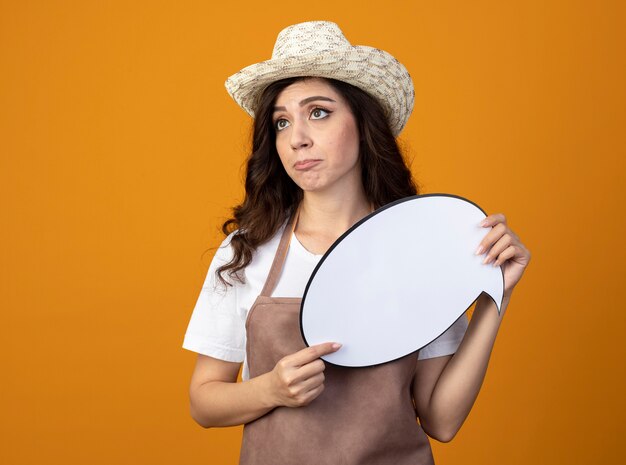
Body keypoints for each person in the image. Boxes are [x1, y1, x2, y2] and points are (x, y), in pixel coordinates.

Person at [182, 21, 531, 464]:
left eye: (319, 112)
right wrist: (269, 389)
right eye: (282, 122)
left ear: (364, 125)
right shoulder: (246, 252)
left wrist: (494, 298)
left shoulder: (419, 251)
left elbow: (442, 420)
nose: (297, 139)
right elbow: (203, 402)